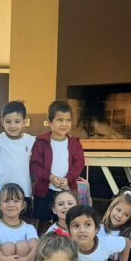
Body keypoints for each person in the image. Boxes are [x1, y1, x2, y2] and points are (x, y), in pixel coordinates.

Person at [30, 100, 85, 236]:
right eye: (60, 120)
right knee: (42, 222)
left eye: (68, 120)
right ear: (50, 121)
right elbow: (34, 165)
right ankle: (41, 246)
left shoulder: (75, 143)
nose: (64, 124)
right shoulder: (41, 142)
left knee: (66, 222)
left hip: (67, 189)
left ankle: (65, 246)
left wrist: (68, 179)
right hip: (45, 190)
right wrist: (50, 177)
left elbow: (79, 163)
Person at [0, 101, 35, 222]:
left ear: (24, 121)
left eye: (17, 121)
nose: (13, 125)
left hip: (24, 191)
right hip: (1, 190)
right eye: (8, 121)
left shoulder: (31, 140)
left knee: (24, 223)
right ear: (2, 121)